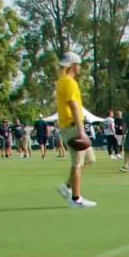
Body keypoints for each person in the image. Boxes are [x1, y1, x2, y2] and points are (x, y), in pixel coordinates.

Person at [55, 51, 97, 208]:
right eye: (78, 64)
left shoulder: (64, 81)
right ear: (73, 65)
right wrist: (81, 130)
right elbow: (73, 105)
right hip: (73, 126)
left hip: (73, 125)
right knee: (77, 163)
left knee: (90, 159)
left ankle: (66, 186)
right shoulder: (68, 82)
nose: (80, 67)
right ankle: (75, 198)